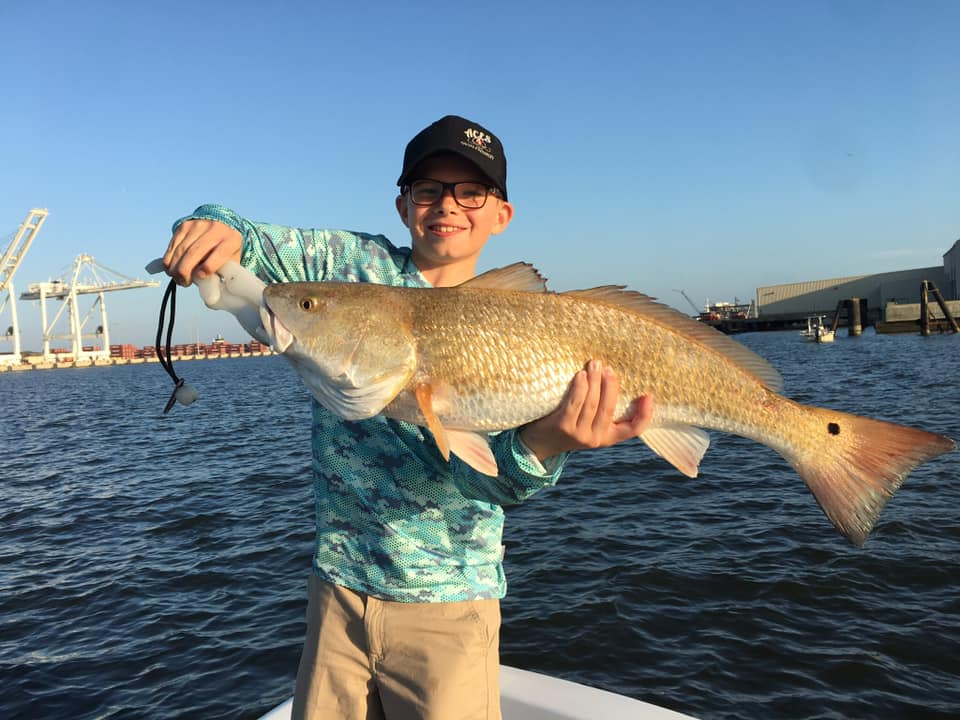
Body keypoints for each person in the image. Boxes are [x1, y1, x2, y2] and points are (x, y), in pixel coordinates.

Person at [162, 115, 653, 720]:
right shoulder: (353, 268)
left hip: (450, 609)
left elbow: (492, 483)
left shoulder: (525, 316)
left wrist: (550, 442)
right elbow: (249, 240)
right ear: (403, 205)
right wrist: (213, 226)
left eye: (470, 192)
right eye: (428, 190)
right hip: (337, 591)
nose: (447, 206)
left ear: (501, 215)